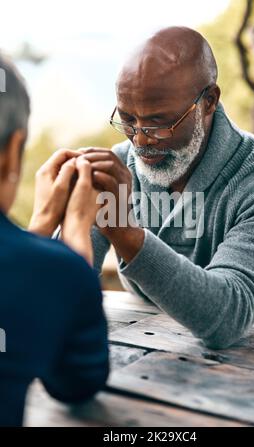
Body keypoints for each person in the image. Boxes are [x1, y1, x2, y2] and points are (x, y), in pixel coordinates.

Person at [84, 26, 254, 349]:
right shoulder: (120, 170)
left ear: (209, 101)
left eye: (159, 123)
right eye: (128, 120)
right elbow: (63, 288)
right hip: (150, 342)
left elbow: (226, 316)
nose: (140, 140)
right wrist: (58, 215)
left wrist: (127, 235)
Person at [0, 54, 109, 427]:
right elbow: (75, 382)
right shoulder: (54, 273)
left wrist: (43, 222)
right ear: (13, 150)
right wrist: (76, 231)